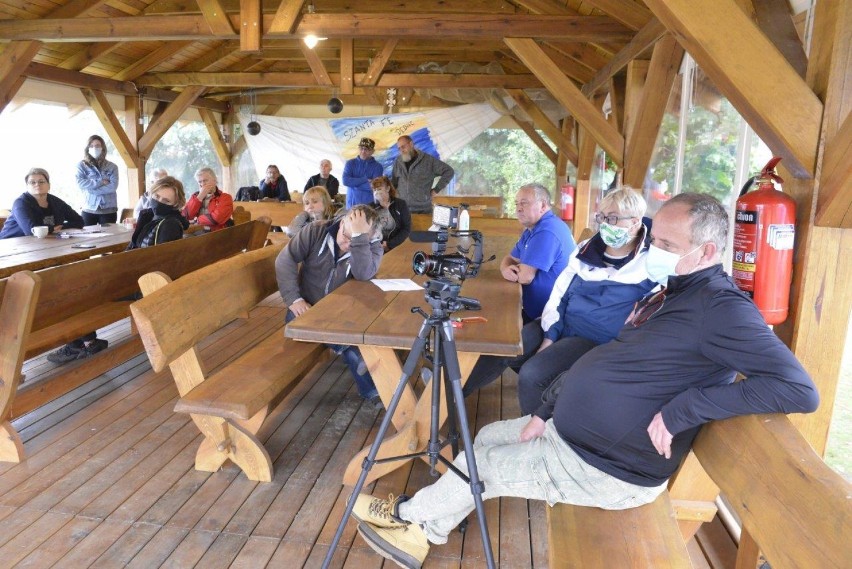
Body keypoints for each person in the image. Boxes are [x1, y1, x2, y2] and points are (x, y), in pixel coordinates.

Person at [351, 193, 819, 569]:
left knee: (486, 467)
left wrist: (684, 410)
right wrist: (544, 410)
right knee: (488, 438)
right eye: (656, 240)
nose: (655, 251)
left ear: (708, 252)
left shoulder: (722, 309)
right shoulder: (673, 290)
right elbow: (613, 359)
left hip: (607, 469)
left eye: (669, 248)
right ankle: (423, 535)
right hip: (572, 434)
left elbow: (798, 389)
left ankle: (406, 515)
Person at [462, 187, 656, 401]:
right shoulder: (586, 249)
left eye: (612, 218)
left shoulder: (651, 266)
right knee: (508, 346)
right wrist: (550, 335)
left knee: (533, 373)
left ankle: (536, 426)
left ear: (635, 222)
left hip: (594, 339)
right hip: (559, 321)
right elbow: (560, 293)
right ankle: (452, 396)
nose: (605, 225)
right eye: (601, 217)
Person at [276, 205, 384, 407]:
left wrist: (359, 239)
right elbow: (285, 259)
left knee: (355, 334)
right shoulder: (315, 231)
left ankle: (376, 388)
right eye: (345, 234)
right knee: (352, 343)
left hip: (341, 314)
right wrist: (294, 299)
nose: (346, 243)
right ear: (342, 221)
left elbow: (363, 273)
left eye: (356, 240)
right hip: (305, 310)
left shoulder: (372, 245)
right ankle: (374, 390)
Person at [501, 183, 576, 323]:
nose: (518, 208)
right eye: (516, 203)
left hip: (549, 319)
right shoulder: (532, 228)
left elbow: (525, 277)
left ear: (542, 206)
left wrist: (512, 270)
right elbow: (510, 258)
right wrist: (505, 268)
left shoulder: (547, 231)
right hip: (534, 310)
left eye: (524, 203)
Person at [0, 168, 84, 239]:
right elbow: (31, 231)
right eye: (32, 182)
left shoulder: (56, 201)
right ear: (27, 186)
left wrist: (61, 227)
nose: (37, 185)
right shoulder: (20, 203)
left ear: (49, 185)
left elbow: (79, 221)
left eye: (41, 182)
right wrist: (53, 228)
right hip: (11, 244)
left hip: (44, 242)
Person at [390, 135, 454, 214]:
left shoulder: (428, 160)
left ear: (411, 144)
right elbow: (394, 183)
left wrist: (436, 189)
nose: (401, 150)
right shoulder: (398, 161)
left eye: (403, 147)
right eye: (399, 148)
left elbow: (449, 171)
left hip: (423, 210)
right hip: (402, 209)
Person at [127, 176, 189, 249]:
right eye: (156, 196)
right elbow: (133, 245)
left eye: (166, 201)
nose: (159, 202)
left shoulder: (170, 225)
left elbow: (161, 257)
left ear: (175, 204)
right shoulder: (148, 215)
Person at [76, 134, 119, 225]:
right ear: (87, 148)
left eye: (97, 146)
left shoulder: (112, 167)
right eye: (91, 146)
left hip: (109, 209)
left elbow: (112, 186)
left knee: (109, 237)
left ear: (103, 148)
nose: (94, 148)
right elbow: (80, 183)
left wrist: (92, 190)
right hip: (88, 209)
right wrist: (100, 182)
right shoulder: (81, 165)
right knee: (88, 237)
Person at [182, 167, 234, 231]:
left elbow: (217, 218)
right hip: (197, 231)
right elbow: (186, 216)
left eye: (205, 180)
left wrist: (196, 220)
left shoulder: (225, 197)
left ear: (214, 180)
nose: (202, 184)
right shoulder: (195, 197)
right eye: (199, 182)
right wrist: (200, 197)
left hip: (218, 233)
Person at [370, 176, 411, 251]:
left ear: (388, 189)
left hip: (396, 246)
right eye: (374, 190)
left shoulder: (400, 204)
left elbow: (406, 229)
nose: (377, 192)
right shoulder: (371, 207)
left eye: (379, 189)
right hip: (376, 247)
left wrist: (390, 244)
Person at [343, 138, 383, 208]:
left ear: (372, 151)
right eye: (361, 148)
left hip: (369, 207)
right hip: (350, 206)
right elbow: (345, 181)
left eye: (367, 149)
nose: (363, 151)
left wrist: (353, 185)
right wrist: (365, 180)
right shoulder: (350, 163)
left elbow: (374, 187)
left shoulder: (378, 167)